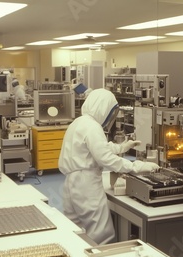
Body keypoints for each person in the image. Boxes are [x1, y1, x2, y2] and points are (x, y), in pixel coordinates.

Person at [58, 88, 160, 245]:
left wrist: (122, 147)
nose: (110, 117)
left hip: (70, 183)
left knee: (75, 229)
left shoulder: (79, 122)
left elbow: (94, 150)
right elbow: (105, 158)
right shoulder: (92, 127)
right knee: (101, 234)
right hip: (87, 184)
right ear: (103, 107)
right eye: (110, 112)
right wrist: (136, 166)